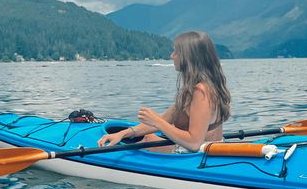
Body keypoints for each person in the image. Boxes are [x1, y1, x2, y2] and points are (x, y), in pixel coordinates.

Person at [98, 31, 231, 153]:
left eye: (176, 52)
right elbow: (165, 119)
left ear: (189, 57)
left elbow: (194, 142)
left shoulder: (201, 91)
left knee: (148, 140)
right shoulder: (196, 88)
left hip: (197, 155)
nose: (171, 56)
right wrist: (124, 133)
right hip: (198, 152)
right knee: (147, 136)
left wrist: (157, 122)